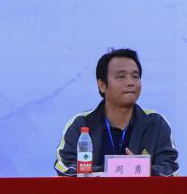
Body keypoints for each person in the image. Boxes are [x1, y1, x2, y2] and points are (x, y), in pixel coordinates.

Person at [54, 48, 178, 176]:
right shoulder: (81, 124)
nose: (130, 82)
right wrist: (114, 170)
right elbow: (65, 167)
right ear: (102, 85)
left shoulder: (156, 124)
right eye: (121, 77)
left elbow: (170, 169)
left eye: (135, 76)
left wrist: (140, 168)